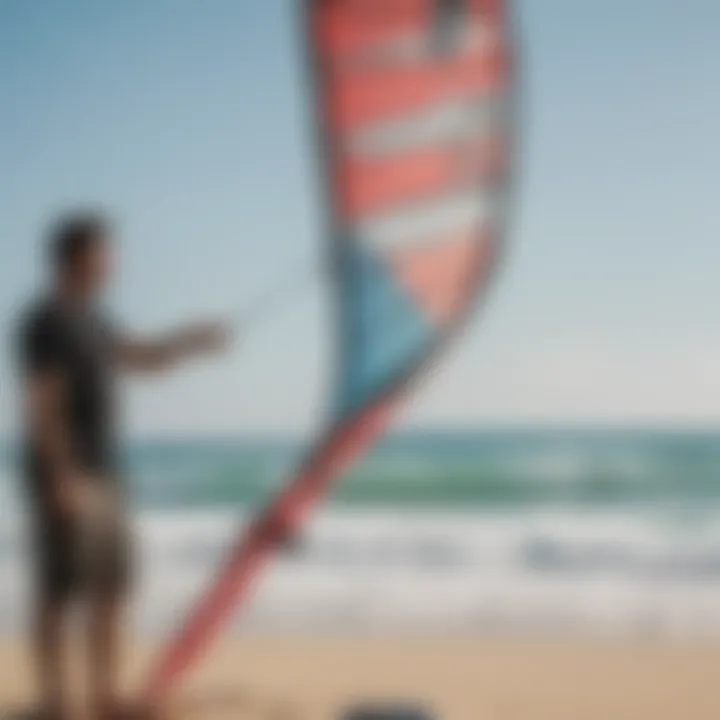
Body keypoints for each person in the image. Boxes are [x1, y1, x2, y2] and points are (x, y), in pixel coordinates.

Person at [15, 212, 230, 720]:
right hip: (68, 474)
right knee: (58, 593)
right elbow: (42, 401)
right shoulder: (45, 319)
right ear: (76, 257)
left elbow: (139, 357)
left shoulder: (95, 319)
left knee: (110, 589)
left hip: (106, 473)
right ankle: (53, 703)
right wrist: (60, 476)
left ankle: (104, 696)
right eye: (103, 253)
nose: (112, 262)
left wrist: (190, 341)